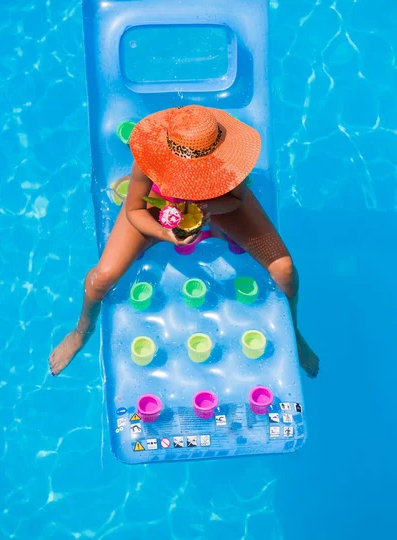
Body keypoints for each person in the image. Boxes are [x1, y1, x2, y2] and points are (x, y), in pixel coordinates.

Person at [49, 105, 319, 378]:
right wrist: (166, 233)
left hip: (217, 204)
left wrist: (207, 210)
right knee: (100, 279)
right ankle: (81, 332)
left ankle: (293, 330)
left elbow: (236, 199)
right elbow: (134, 211)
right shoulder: (151, 156)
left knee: (285, 270)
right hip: (159, 204)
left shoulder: (228, 158)